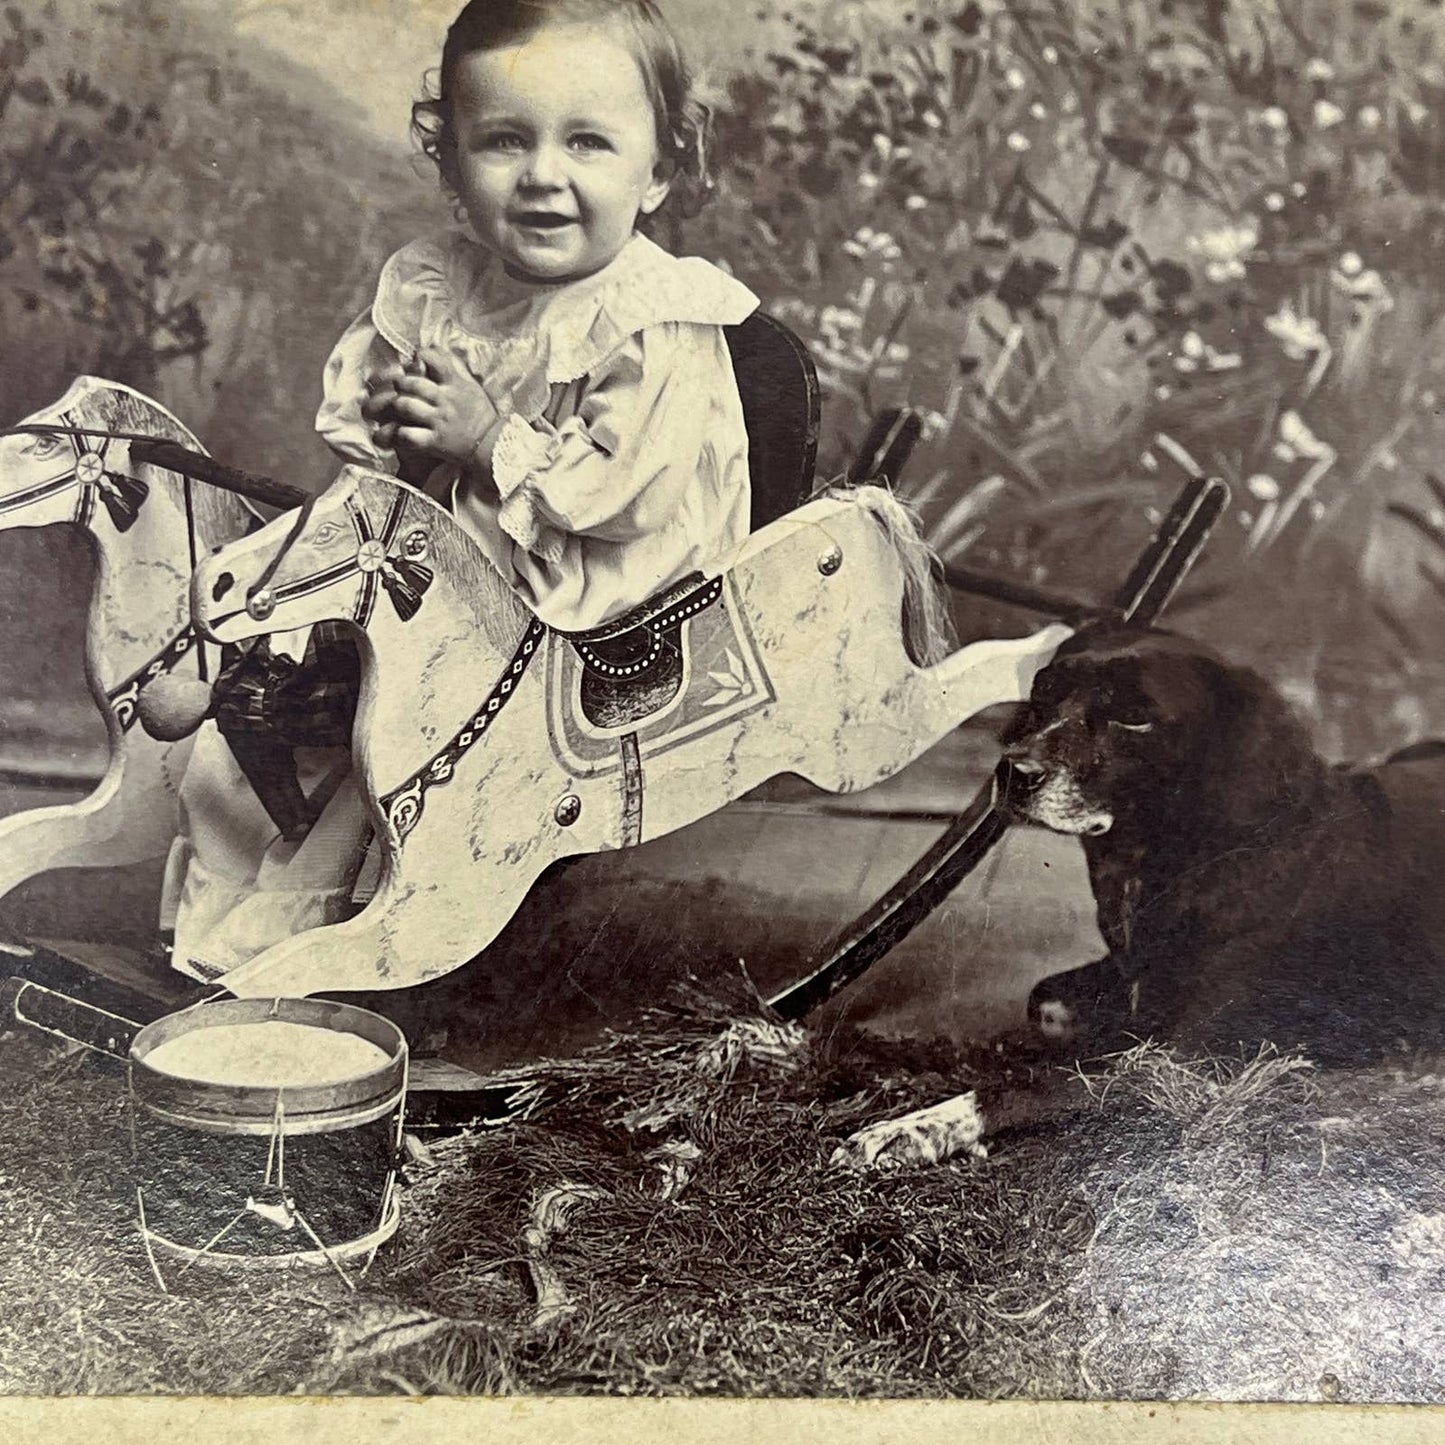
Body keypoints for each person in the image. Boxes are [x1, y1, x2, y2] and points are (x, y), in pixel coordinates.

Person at [160, 0, 759, 982]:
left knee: (404, 681)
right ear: (450, 165)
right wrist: (394, 417)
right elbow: (369, 436)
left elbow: (623, 493)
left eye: (589, 143)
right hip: (456, 539)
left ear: (656, 173)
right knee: (296, 628)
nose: (543, 177)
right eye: (504, 141)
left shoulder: (654, 318)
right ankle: (228, 868)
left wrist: (486, 438)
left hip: (604, 576)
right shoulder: (439, 283)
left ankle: (311, 909)